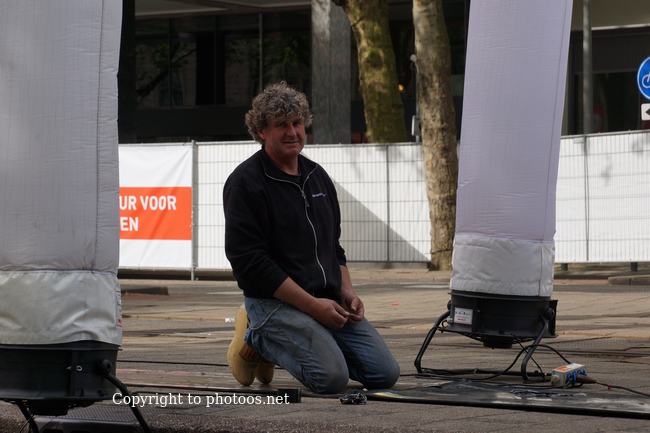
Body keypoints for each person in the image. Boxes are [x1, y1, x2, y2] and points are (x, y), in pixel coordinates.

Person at [223, 82, 400, 394]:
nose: (292, 132)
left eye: (297, 122)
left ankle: (309, 339)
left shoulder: (317, 176)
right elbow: (250, 262)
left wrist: (347, 293)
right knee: (331, 379)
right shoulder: (246, 183)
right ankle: (257, 335)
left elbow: (334, 247)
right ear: (261, 131)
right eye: (281, 125)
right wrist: (312, 307)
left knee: (385, 374)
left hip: (324, 299)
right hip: (273, 303)